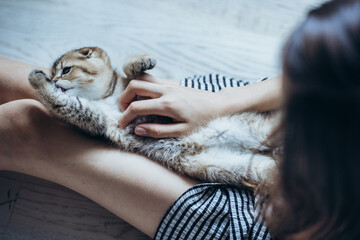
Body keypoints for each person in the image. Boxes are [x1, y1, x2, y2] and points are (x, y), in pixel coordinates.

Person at [0, 0, 359, 239]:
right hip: (249, 121)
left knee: (27, 126)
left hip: (269, 219)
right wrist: (220, 102)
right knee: (27, 82)